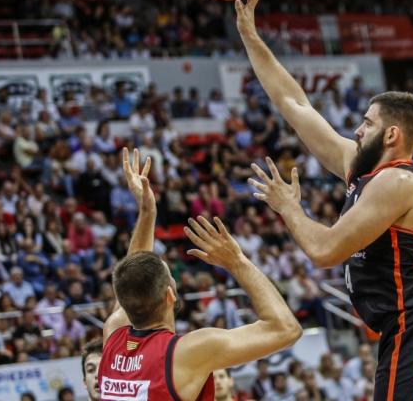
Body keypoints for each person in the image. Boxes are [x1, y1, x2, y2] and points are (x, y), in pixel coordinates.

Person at [236, 0, 413, 400]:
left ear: (391, 134)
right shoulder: (364, 171)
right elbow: (295, 105)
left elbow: (325, 251)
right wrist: (251, 37)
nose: (357, 129)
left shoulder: (397, 182)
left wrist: (289, 207)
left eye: (367, 123)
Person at [98, 149, 301, 400]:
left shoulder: (113, 338)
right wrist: (237, 262)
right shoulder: (186, 353)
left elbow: (133, 276)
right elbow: (286, 329)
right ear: (170, 296)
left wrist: (147, 212)